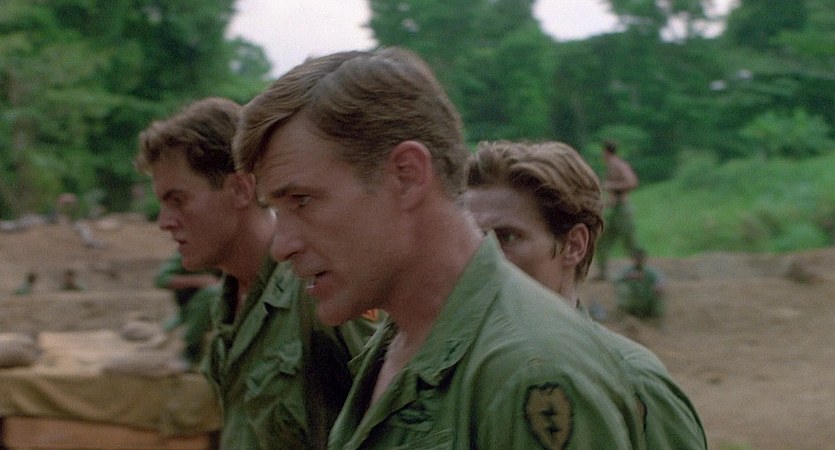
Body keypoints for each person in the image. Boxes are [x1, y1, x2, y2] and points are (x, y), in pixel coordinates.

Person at [235, 47, 647, 449]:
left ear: (407, 176)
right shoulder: (396, 346)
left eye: (302, 201)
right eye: (275, 209)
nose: (281, 247)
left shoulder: (530, 371)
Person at [135, 97, 379, 450]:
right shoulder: (227, 303)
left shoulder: (317, 287)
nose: (164, 222)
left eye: (178, 200)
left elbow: (393, 419)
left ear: (241, 189)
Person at [465, 140, 707, 449]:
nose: (482, 256)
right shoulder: (445, 379)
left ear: (574, 245)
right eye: (473, 237)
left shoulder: (632, 383)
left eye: (507, 237)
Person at [154, 251, 220, 367]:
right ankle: (186, 345)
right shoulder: (191, 249)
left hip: (222, 309)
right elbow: (161, 279)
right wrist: (199, 281)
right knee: (213, 292)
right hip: (191, 309)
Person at [595, 139, 640, 280]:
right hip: (614, 210)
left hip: (623, 210)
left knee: (630, 241)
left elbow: (632, 182)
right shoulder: (610, 166)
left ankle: (641, 271)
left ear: (605, 152)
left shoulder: (619, 165)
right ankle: (602, 273)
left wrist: (611, 186)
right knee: (603, 241)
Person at [615, 248, 666, 321]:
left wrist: (659, 285)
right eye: (637, 258)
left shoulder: (649, 271)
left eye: (641, 258)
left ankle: (655, 317)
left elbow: (660, 278)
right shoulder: (628, 270)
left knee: (659, 293)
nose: (639, 260)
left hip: (646, 302)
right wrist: (629, 276)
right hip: (632, 302)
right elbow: (615, 279)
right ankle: (626, 314)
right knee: (622, 288)